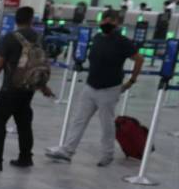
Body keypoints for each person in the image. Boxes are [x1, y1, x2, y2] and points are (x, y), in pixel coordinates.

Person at [46, 10, 143, 167]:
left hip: (109, 89)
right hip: (91, 86)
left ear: (117, 23)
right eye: (104, 19)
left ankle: (107, 154)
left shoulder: (123, 41)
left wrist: (131, 81)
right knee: (79, 119)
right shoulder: (97, 38)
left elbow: (139, 59)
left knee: (106, 124)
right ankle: (67, 151)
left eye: (110, 20)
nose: (105, 22)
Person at [0, 6, 55, 171]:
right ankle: (25, 157)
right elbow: (38, 65)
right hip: (28, 90)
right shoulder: (39, 38)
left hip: (10, 89)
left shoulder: (10, 38)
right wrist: (43, 87)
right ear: (31, 19)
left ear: (16, 20)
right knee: (24, 124)